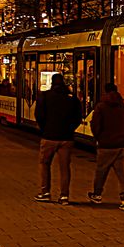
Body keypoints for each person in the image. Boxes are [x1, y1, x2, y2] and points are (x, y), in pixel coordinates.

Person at [34, 73, 82, 205]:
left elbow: (39, 115)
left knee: (44, 164)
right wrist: (70, 129)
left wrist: (45, 129)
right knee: (65, 167)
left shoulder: (44, 96)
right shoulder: (72, 99)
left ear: (52, 82)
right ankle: (64, 196)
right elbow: (78, 117)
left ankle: (45, 193)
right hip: (67, 138)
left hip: (49, 137)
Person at [88, 83, 124, 211]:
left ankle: (97, 195)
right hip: (121, 145)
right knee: (122, 174)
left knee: (101, 172)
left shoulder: (101, 107)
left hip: (105, 146)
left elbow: (95, 125)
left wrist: (99, 138)